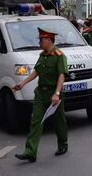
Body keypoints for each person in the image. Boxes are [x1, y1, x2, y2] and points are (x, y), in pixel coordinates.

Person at [14, 29, 69, 162]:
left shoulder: (59, 56)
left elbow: (62, 75)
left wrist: (56, 94)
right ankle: (30, 151)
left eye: (41, 40)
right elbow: (36, 72)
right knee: (35, 121)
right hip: (40, 93)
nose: (39, 42)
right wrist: (22, 83)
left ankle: (63, 144)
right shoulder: (42, 55)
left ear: (49, 40)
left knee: (58, 121)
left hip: (54, 93)